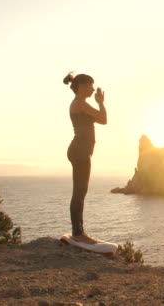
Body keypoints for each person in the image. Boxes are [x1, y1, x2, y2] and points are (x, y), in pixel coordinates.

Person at [63, 72, 107, 244]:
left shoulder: (81, 105)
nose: (93, 88)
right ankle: (78, 233)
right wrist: (101, 103)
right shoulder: (80, 104)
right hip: (80, 150)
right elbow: (103, 117)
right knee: (80, 192)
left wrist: (98, 105)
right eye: (90, 85)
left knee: (80, 192)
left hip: (80, 150)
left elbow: (102, 122)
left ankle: (78, 232)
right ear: (81, 86)